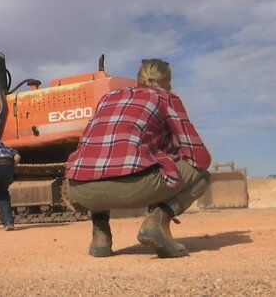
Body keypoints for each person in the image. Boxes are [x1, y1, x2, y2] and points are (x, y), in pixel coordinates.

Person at [65, 59, 211, 258]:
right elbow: (200, 158)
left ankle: (101, 236)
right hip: (134, 186)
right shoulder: (166, 98)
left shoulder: (109, 97)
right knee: (202, 175)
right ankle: (157, 222)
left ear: (138, 78)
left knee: (101, 165)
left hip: (79, 188)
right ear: (168, 81)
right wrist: (171, 156)